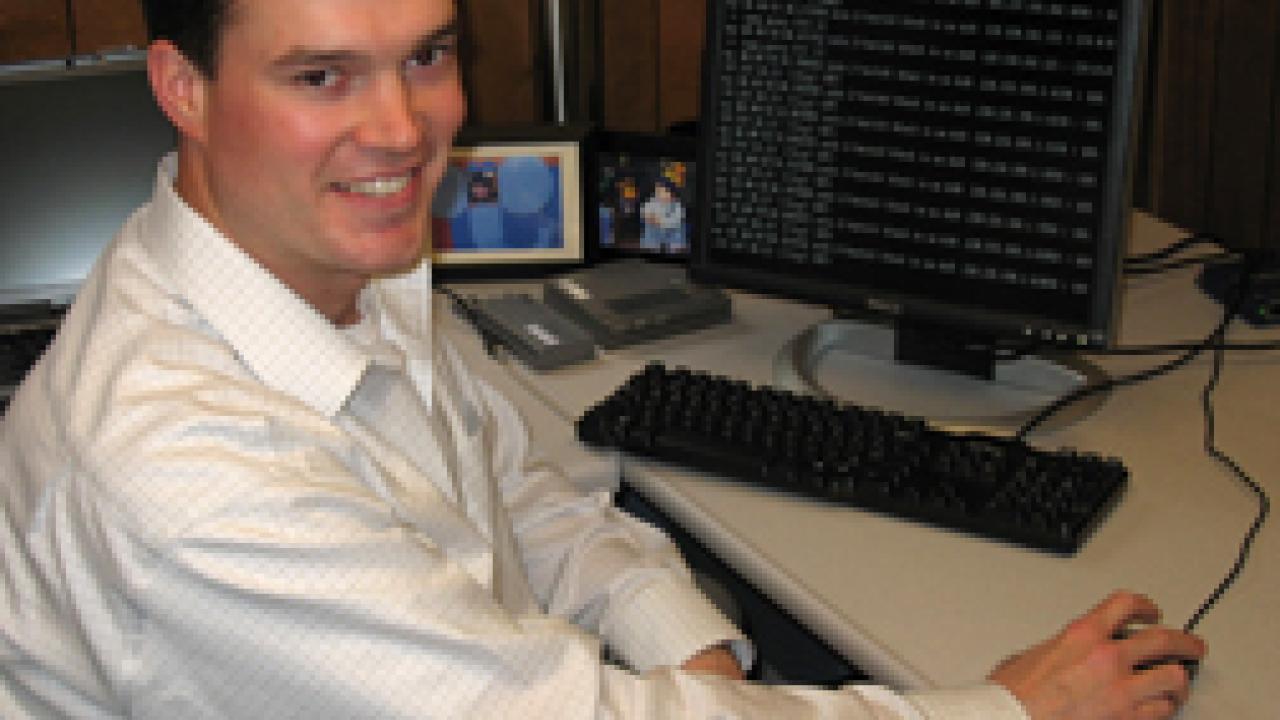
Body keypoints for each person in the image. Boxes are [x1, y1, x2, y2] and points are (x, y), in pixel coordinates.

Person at [0, 0, 1205, 717]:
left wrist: (689, 650)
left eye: (425, 54)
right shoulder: (186, 476)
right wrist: (1003, 708)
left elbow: (518, 487)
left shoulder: (324, 258)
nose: (402, 130)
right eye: (322, 77)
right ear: (182, 87)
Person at [640, 178, 686, 252]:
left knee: (679, 228)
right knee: (649, 226)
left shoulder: (676, 205)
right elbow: (646, 214)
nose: (660, 195)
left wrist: (661, 221)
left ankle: (675, 248)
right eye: (657, 192)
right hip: (656, 230)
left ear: (670, 193)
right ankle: (651, 247)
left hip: (670, 230)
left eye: (662, 191)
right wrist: (652, 218)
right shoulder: (652, 202)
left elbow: (675, 221)